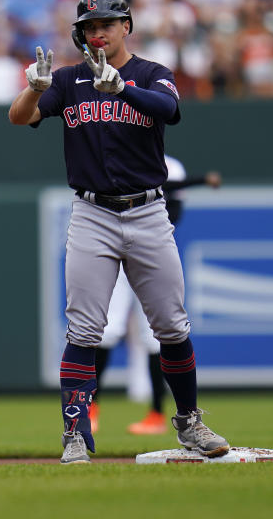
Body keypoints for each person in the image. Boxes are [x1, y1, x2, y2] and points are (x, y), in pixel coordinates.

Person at [8, 0, 230, 464]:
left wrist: (122, 89)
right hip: (92, 213)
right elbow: (18, 117)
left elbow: (171, 110)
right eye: (89, 28)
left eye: (106, 25)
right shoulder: (67, 81)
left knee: (171, 324)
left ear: (126, 26)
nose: (98, 33)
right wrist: (36, 88)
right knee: (84, 329)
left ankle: (189, 422)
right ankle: (74, 434)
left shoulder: (152, 74)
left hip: (149, 211)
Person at [91, 156, 222, 435]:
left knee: (156, 337)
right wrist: (201, 181)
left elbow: (172, 204)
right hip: (116, 251)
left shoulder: (172, 166)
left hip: (150, 257)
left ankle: (157, 414)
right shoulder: (116, 154)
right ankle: (91, 407)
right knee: (106, 330)